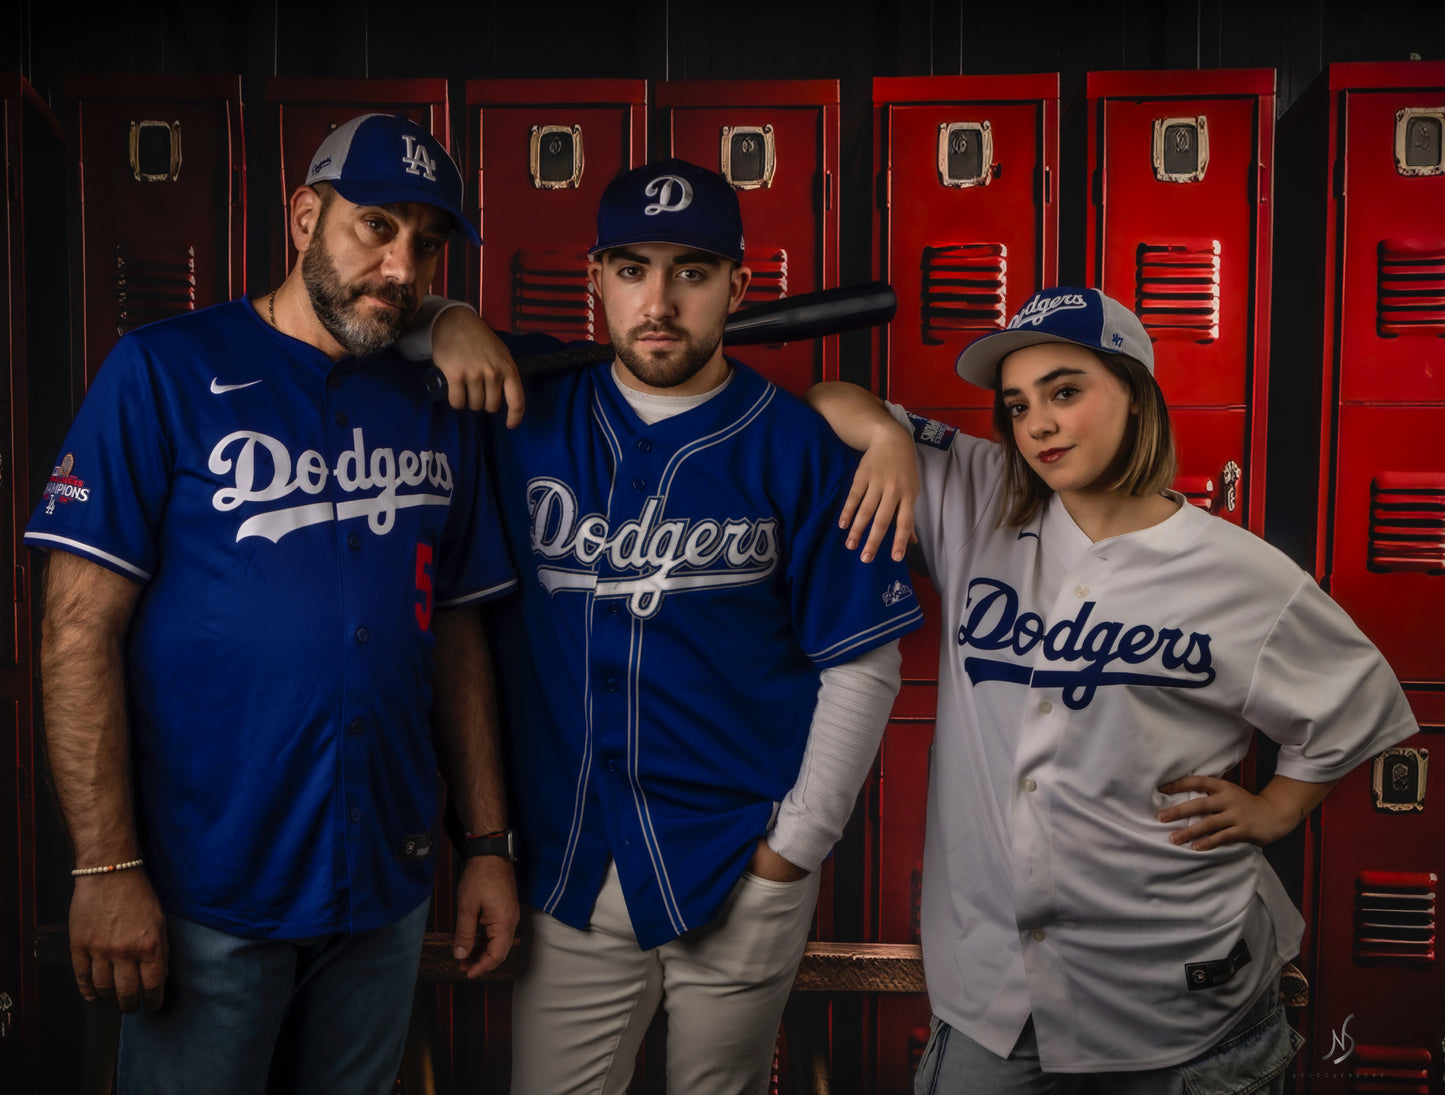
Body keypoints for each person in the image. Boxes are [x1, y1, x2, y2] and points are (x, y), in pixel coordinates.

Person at [802, 285, 1420, 1094]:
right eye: (1017, 405)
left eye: (1065, 391)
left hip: (1182, 998)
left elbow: (1357, 705)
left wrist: (1275, 806)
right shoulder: (979, 497)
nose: (1038, 425)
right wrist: (885, 434)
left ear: (1133, 395)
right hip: (997, 995)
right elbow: (823, 399)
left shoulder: (1239, 572)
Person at [26, 113, 522, 1095]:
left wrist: (488, 843)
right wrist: (104, 867)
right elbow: (76, 629)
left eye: (425, 244)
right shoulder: (162, 372)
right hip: (208, 896)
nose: (399, 264)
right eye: (374, 226)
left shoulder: (434, 398)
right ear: (303, 216)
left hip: (381, 891)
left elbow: (457, 635)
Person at [416, 158, 925, 1093]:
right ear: (596, 280)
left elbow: (862, 662)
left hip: (738, 861)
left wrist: (791, 853)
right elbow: (370, 320)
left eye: (691, 271)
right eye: (631, 268)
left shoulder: (797, 445)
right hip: (570, 859)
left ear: (737, 284)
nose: (658, 299)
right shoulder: (524, 411)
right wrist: (448, 319)